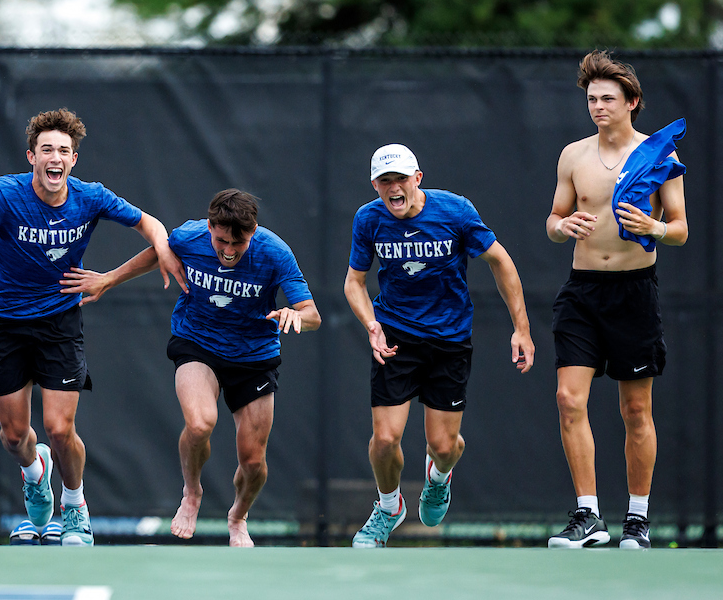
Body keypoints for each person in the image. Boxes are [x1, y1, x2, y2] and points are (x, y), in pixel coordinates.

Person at [0, 108, 185, 546]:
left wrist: (159, 249)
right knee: (14, 436)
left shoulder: (90, 197)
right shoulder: (4, 194)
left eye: (64, 151)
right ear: (31, 156)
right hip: (7, 322)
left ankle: (74, 506)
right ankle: (36, 472)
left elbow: (148, 223)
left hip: (60, 322)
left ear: (73, 160)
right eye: (47, 149)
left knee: (58, 428)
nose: (56, 158)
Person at [60, 189, 319, 547]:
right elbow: (159, 252)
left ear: (254, 231)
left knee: (253, 463)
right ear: (210, 227)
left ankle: (238, 516)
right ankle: (192, 491)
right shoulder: (189, 236)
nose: (229, 251)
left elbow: (312, 315)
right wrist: (109, 278)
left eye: (239, 243)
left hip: (254, 356)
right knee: (199, 424)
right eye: (222, 241)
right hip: (197, 343)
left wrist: (296, 315)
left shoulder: (275, 252)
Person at [345, 144, 534, 548]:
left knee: (444, 446)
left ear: (417, 179)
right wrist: (372, 325)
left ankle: (439, 477)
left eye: (400, 179)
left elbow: (500, 261)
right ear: (375, 185)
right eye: (384, 181)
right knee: (384, 440)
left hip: (449, 340)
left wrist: (521, 328)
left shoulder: (455, 211)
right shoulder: (368, 218)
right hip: (395, 338)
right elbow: (354, 282)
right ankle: (389, 507)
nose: (393, 188)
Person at [545, 51, 687, 549]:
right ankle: (588, 516)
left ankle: (637, 519)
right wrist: (563, 226)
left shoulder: (660, 155)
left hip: (634, 293)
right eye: (591, 99)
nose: (598, 107)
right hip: (581, 292)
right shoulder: (573, 156)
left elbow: (680, 229)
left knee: (635, 410)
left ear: (632, 102)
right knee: (568, 399)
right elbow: (554, 220)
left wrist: (655, 227)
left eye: (607, 98)